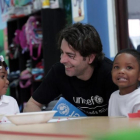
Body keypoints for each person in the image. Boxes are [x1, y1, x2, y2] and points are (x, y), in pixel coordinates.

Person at [24, 22, 118, 116]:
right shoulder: (59, 72)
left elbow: (121, 118)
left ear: (90, 58)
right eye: (62, 52)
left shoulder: (110, 74)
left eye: (70, 55)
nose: (62, 60)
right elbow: (32, 104)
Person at [108, 48, 140, 117]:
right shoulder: (113, 96)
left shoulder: (138, 98)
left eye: (129, 67)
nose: (121, 71)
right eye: (116, 67)